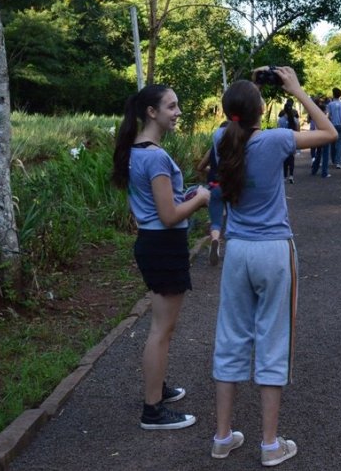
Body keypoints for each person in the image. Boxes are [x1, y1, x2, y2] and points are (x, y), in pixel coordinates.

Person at [209, 66, 336, 466]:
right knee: (273, 340)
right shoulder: (278, 140)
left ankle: (222, 437)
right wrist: (297, 90)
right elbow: (330, 133)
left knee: (231, 339)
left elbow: (235, 128)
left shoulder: (219, 139)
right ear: (261, 109)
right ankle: (268, 444)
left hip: (238, 250)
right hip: (274, 251)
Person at [111, 84, 211, 430]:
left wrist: (185, 194)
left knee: (162, 327)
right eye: (172, 106)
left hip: (152, 242)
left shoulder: (136, 151)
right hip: (163, 243)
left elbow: (156, 205)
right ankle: (152, 410)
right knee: (161, 330)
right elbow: (169, 216)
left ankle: (158, 388)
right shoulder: (154, 156)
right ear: (152, 112)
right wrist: (199, 199)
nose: (178, 111)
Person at [196, 121, 228, 265]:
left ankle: (215, 240)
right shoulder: (238, 150)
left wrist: (212, 171)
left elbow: (200, 167)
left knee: (216, 221)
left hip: (215, 186)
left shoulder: (212, 150)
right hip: (231, 187)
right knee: (235, 219)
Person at [277, 98, 300, 184]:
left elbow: (278, 130)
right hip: (292, 140)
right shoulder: (294, 119)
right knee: (291, 159)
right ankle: (291, 176)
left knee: (285, 159)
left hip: (283, 141)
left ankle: (284, 176)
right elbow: (298, 130)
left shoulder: (281, 119)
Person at [325, 87, 341, 170]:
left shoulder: (330, 105)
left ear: (333, 94)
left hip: (332, 125)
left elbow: (328, 116)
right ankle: (338, 162)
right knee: (339, 143)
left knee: (332, 143)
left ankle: (333, 159)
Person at [309, 96, 331, 177]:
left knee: (318, 154)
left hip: (317, 137)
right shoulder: (324, 118)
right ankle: (324, 172)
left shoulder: (315, 117)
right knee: (325, 155)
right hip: (324, 137)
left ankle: (314, 170)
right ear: (324, 110)